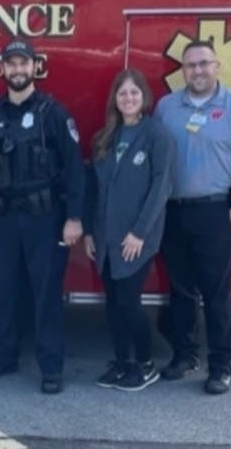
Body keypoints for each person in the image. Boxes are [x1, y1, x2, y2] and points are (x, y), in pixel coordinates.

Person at [0, 38, 84, 394]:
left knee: (46, 295)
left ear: (35, 67)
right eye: (11, 64)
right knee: (5, 291)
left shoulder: (54, 114)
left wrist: (74, 218)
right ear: (2, 68)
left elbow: (75, 171)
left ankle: (51, 368)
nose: (17, 70)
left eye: (24, 64)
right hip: (4, 220)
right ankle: (4, 357)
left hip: (45, 218)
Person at [155, 40, 231, 395]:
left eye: (203, 64)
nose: (197, 71)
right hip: (174, 211)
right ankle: (185, 356)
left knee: (217, 295)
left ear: (217, 66)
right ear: (182, 70)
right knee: (181, 291)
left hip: (216, 212)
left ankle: (220, 365)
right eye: (190, 65)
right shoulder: (167, 107)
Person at [83, 69, 175, 391]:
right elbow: (93, 190)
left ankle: (146, 364)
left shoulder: (156, 135)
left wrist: (139, 232)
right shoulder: (104, 137)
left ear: (144, 97)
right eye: (122, 93)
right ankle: (122, 363)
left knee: (129, 302)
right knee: (112, 303)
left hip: (137, 238)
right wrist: (90, 232)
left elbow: (160, 188)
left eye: (134, 92)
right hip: (105, 237)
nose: (129, 98)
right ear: (115, 100)